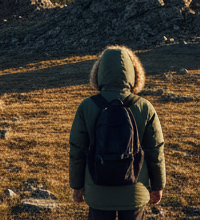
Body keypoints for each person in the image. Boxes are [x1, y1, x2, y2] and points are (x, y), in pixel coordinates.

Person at [69, 45, 166, 220]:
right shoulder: (145, 107)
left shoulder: (87, 106)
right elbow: (155, 150)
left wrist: (77, 186)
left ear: (98, 73)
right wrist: (158, 186)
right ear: (134, 73)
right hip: (134, 192)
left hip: (98, 191)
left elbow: (77, 150)